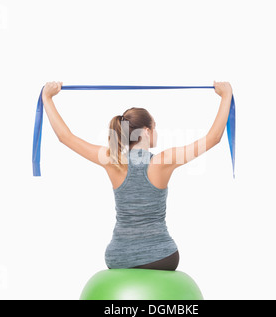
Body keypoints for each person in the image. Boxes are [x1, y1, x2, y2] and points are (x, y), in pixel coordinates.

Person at [41, 81, 233, 271]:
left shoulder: (111, 159)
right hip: (161, 256)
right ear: (147, 131)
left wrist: (47, 98)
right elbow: (213, 138)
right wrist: (226, 95)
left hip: (119, 256)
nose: (156, 132)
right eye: (155, 127)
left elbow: (65, 137)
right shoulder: (163, 160)